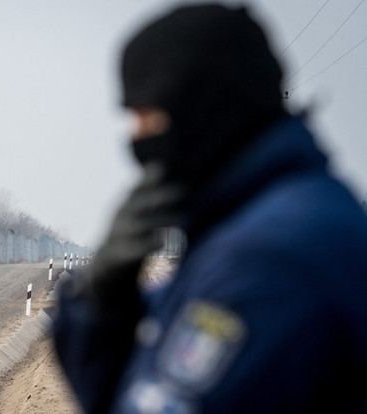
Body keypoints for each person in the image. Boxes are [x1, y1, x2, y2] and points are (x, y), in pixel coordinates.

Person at [52, 4, 367, 414]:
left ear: (199, 107)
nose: (136, 139)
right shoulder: (265, 223)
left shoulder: (267, 258)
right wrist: (102, 304)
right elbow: (138, 373)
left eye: (147, 116)